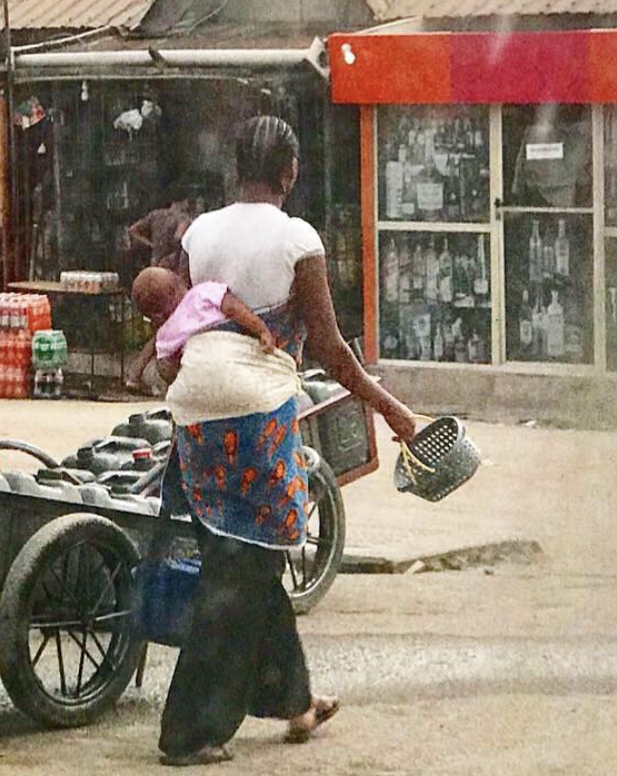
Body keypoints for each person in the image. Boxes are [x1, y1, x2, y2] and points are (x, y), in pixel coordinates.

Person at [155, 116, 417, 767]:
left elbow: (184, 315)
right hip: (255, 415)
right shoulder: (298, 239)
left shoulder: (200, 232)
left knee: (245, 557)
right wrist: (391, 408)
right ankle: (189, 732)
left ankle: (294, 701)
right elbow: (328, 348)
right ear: (289, 171)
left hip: (194, 411)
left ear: (235, 168)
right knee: (238, 577)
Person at [131, 266, 275, 387]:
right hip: (233, 358)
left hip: (199, 379)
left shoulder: (164, 335)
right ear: (178, 282)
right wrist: (262, 330)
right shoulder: (203, 292)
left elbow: (165, 368)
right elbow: (232, 308)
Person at [126, 198, 195, 393]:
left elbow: (133, 230)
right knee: (166, 332)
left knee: (160, 331)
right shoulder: (184, 219)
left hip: (152, 273)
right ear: (184, 201)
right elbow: (180, 238)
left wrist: (150, 246)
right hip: (169, 279)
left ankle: (136, 375)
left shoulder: (156, 215)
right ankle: (141, 375)